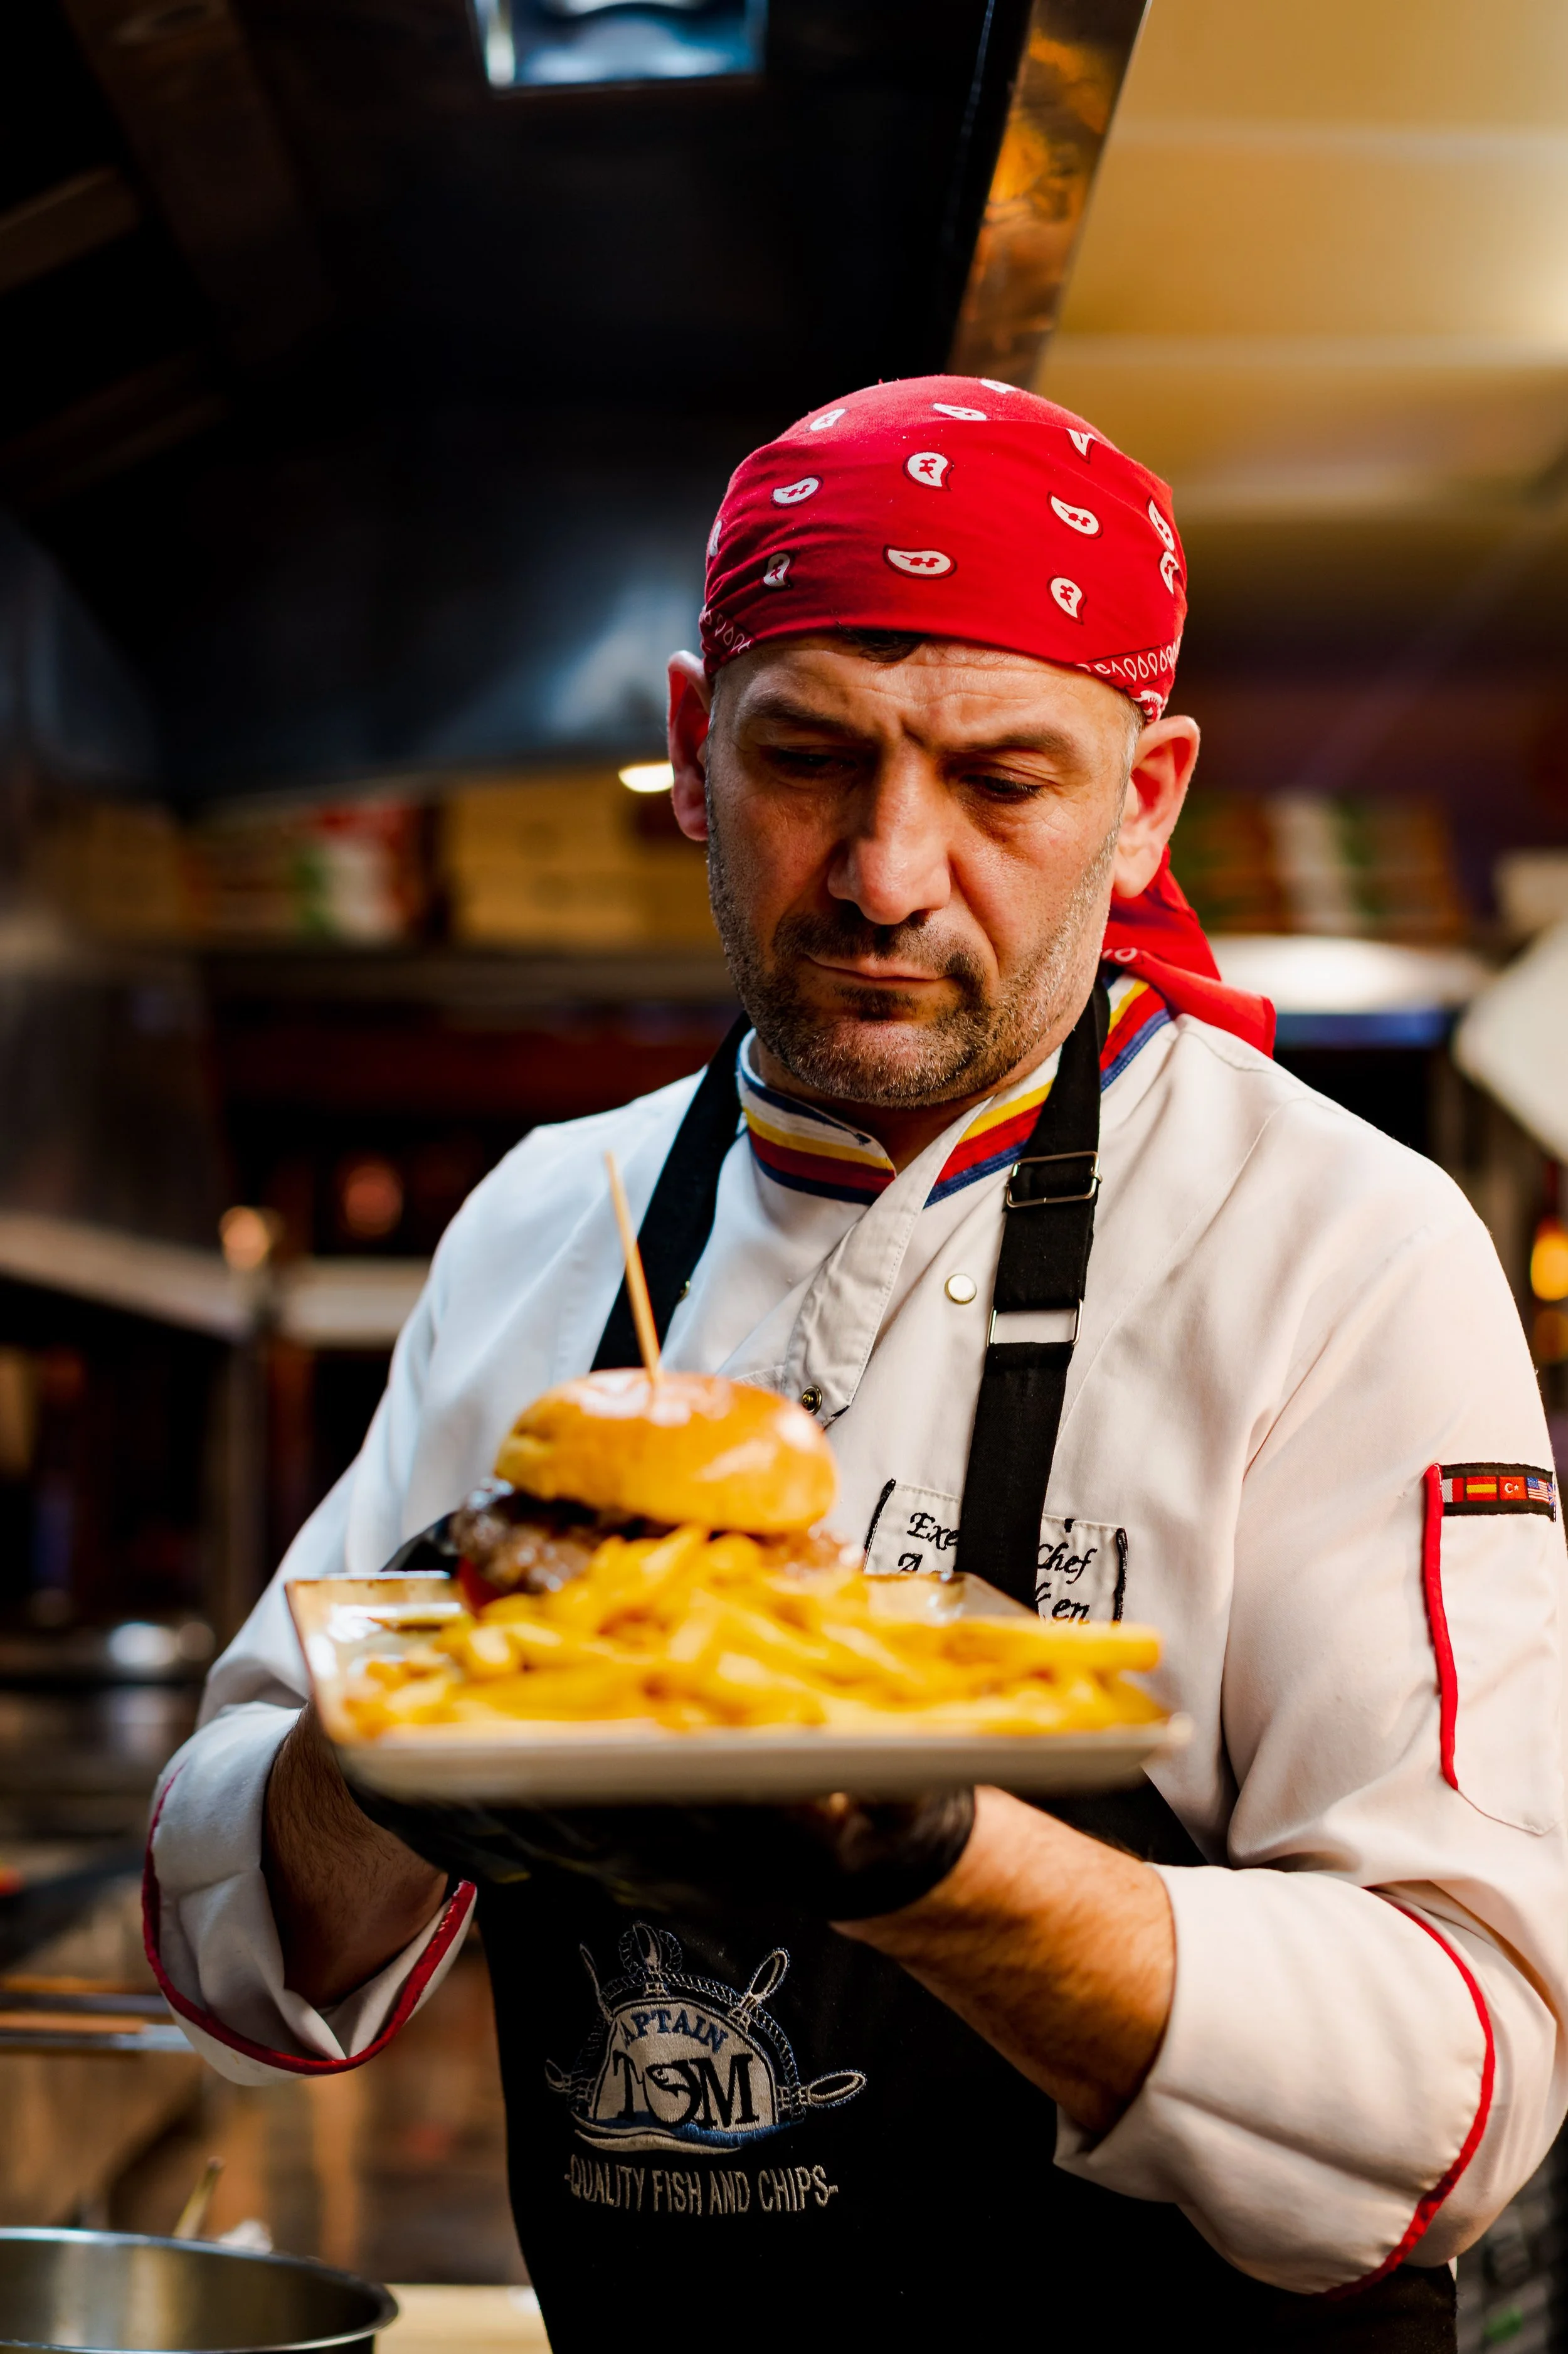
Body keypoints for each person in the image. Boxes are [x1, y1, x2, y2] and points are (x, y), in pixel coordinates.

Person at [145, 378, 1567, 2351]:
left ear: (1144, 795)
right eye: (807, 758)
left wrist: (930, 1855)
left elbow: (1451, 2088)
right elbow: (228, 1937)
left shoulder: (1336, 1246)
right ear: (688, 747)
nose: (886, 876)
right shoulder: (555, 1219)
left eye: (1002, 784)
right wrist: (400, 1751)